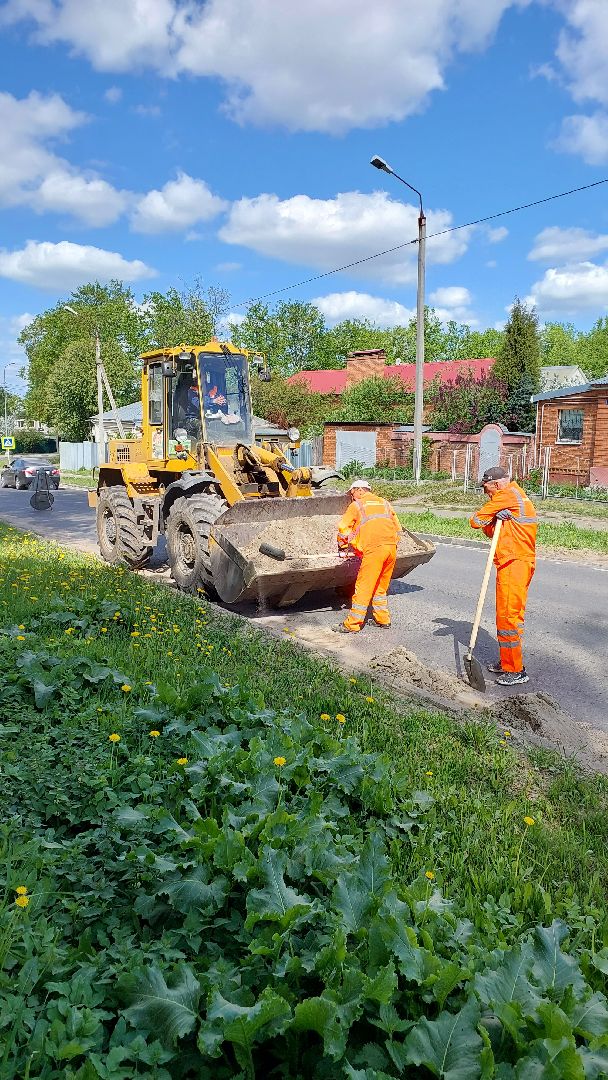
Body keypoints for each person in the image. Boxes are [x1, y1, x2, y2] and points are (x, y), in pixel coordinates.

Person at [470, 466, 538, 686]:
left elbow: (475, 521)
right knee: (512, 617)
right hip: (518, 561)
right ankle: (508, 660)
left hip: (514, 563)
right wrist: (494, 520)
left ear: (497, 484)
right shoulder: (516, 495)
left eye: (486, 488)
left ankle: (516, 670)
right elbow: (491, 529)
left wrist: (488, 517)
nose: (486, 493)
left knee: (508, 618)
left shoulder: (506, 495)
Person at [332, 479, 402, 633]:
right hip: (391, 549)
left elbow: (343, 528)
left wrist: (344, 548)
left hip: (374, 550)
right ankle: (383, 620)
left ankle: (352, 624)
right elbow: (398, 528)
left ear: (359, 490)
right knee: (380, 587)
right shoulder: (384, 503)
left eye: (352, 493)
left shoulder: (356, 505)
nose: (352, 496)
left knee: (363, 587)